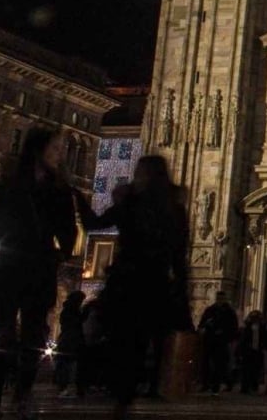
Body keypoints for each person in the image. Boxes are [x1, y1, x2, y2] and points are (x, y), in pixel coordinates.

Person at [76, 154, 191, 420]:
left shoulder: (132, 203)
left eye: (139, 172)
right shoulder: (173, 208)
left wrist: (79, 196)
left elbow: (94, 223)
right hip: (154, 286)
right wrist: (181, 291)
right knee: (137, 344)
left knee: (123, 342)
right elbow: (179, 255)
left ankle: (122, 398)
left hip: (127, 284)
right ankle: (126, 397)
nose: (135, 176)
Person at [0, 125, 79, 420]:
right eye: (56, 149)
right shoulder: (10, 186)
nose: (60, 155)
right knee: (2, 338)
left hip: (36, 269)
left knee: (33, 338)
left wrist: (63, 251)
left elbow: (69, 233)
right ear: (39, 150)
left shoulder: (58, 191)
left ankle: (22, 395)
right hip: (9, 268)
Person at [198, 289, 239, 393]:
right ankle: (205, 384)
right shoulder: (210, 310)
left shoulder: (229, 312)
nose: (220, 300)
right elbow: (202, 323)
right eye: (218, 298)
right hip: (209, 339)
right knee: (206, 363)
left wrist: (227, 335)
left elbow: (233, 327)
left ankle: (217, 385)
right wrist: (204, 327)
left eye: (222, 298)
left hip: (222, 341)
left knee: (220, 364)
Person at [54, 290, 87, 398]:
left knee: (66, 364)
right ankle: (68, 387)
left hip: (68, 339)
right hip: (71, 340)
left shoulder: (68, 310)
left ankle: (65, 386)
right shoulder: (73, 311)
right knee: (69, 364)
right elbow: (75, 324)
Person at [237, 310, 265, 394]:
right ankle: (245, 387)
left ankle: (253, 385)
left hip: (257, 350)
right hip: (248, 350)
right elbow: (243, 339)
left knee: (255, 369)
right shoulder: (247, 327)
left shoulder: (262, 327)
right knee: (246, 369)